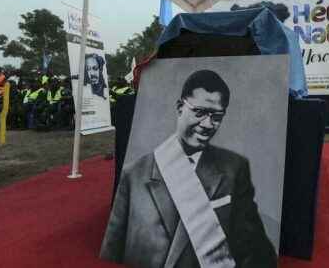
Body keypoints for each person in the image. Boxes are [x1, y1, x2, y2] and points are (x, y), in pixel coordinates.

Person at [100, 70, 276, 268]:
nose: (207, 124)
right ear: (179, 107)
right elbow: (113, 249)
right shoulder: (134, 174)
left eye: (216, 116)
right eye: (199, 112)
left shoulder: (234, 168)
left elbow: (254, 248)